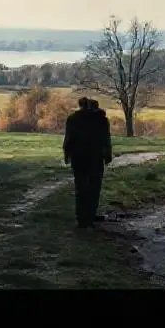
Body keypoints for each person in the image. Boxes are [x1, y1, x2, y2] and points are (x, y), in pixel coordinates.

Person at [62, 96, 112, 229]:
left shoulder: (73, 119)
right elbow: (106, 139)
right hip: (95, 157)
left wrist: (66, 154)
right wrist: (107, 155)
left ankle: (81, 218)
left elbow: (68, 139)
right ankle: (90, 216)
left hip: (78, 157)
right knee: (94, 188)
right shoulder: (101, 120)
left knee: (80, 187)